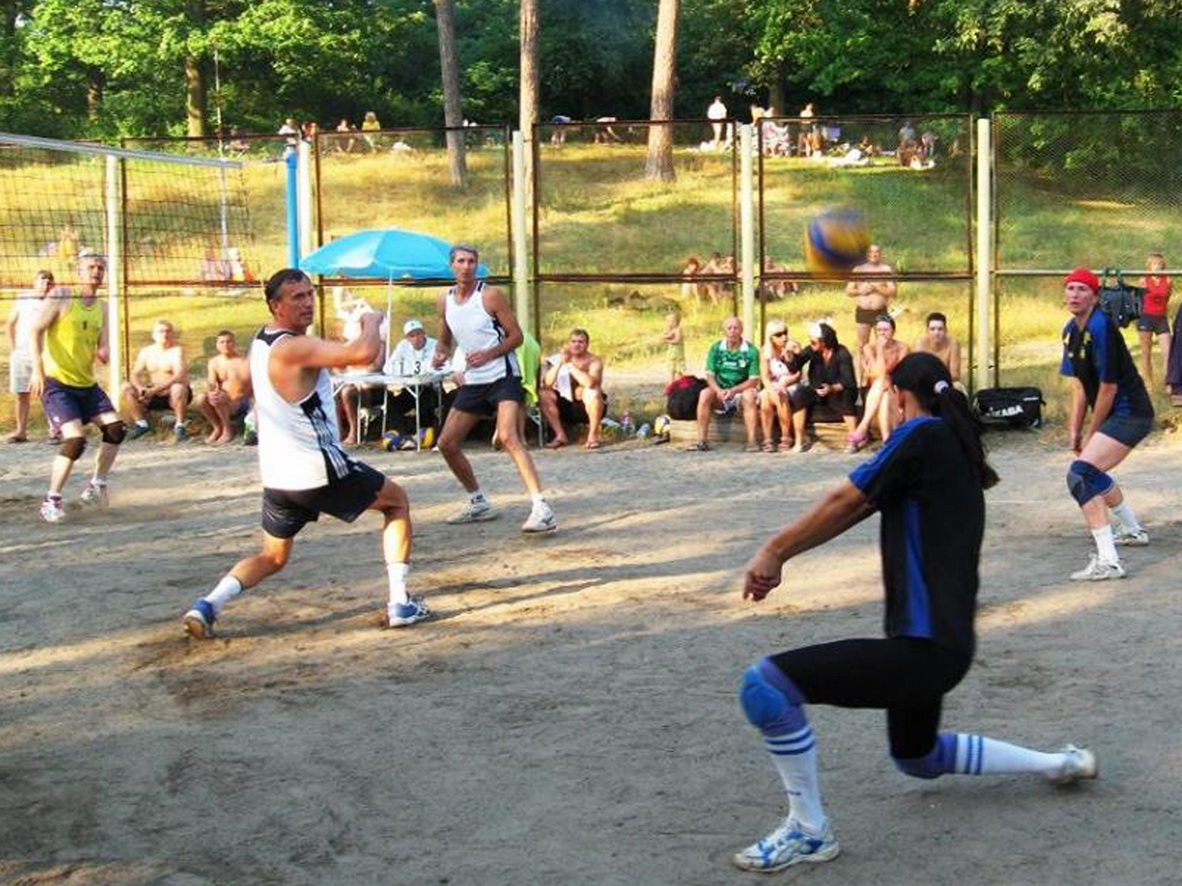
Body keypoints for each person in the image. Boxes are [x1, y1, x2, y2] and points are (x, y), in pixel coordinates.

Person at [732, 351, 1095, 874]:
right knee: (918, 757)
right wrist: (784, 555)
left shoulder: (921, 435)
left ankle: (809, 830)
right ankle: (1059, 763)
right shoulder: (948, 446)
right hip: (941, 647)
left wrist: (774, 551)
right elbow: (859, 506)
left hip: (923, 649)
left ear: (900, 397)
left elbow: (844, 499)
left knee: (765, 687)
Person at [182, 269, 431, 639]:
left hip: (278, 476)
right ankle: (400, 603)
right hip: (315, 468)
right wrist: (372, 321)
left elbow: (243, 384)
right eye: (296, 297)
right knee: (396, 502)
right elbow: (363, 353)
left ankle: (207, 605)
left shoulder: (263, 340)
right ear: (275, 305)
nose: (307, 302)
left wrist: (233, 396)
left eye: (309, 294)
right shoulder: (294, 347)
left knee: (272, 557)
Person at [431, 244, 556, 532]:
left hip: (503, 376)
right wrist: (439, 354)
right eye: (461, 261)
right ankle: (478, 502)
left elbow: (517, 336)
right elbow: (444, 341)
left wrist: (489, 354)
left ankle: (542, 508)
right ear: (451, 265)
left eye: (471, 261)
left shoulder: (490, 295)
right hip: (474, 380)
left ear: (477, 265)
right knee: (447, 443)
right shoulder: (445, 300)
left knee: (509, 437)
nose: (466, 266)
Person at [1059, 267, 1154, 581]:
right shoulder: (1070, 331)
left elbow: (1108, 388)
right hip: (1117, 413)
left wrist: (1092, 432)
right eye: (1070, 288)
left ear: (1095, 296)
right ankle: (1132, 530)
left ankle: (1109, 561)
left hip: (1131, 412)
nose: (1075, 294)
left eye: (1082, 289)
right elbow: (1079, 386)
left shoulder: (1102, 327)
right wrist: (1074, 430)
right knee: (1091, 471)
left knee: (1081, 475)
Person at [28, 251, 127, 523]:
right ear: (79, 272)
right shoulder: (62, 296)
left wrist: (104, 352)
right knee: (75, 440)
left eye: (100, 268)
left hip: (86, 383)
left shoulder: (102, 307)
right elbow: (35, 330)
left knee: (116, 428)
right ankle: (51, 500)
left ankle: (96, 486)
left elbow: (103, 343)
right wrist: (37, 370)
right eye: (91, 267)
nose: (96, 272)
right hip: (57, 382)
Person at [689, 316, 760, 452]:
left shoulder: (751, 351)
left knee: (749, 396)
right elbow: (710, 375)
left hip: (741, 392)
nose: (733, 331)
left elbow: (754, 380)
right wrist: (717, 390)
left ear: (741, 330)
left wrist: (734, 390)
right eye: (729, 328)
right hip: (720, 391)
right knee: (704, 394)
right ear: (724, 331)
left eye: (736, 328)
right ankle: (702, 440)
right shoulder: (716, 348)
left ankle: (752, 441)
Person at [786, 322, 858, 452]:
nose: (811, 344)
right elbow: (794, 366)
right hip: (817, 389)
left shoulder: (842, 353)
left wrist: (832, 388)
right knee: (799, 394)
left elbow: (848, 381)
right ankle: (799, 440)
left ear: (824, 342)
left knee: (846, 396)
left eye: (814, 342)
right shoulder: (812, 351)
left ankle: (853, 440)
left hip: (837, 390)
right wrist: (791, 356)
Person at [848, 313, 910, 451]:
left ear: (893, 331)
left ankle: (863, 426)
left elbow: (899, 371)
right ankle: (887, 439)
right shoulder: (869, 348)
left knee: (884, 385)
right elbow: (877, 373)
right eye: (879, 330)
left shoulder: (902, 347)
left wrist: (881, 354)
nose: (882, 333)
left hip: (897, 386)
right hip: (877, 388)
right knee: (883, 389)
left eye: (886, 330)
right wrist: (880, 350)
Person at [6, 270, 55, 443]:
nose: (45, 285)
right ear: (35, 282)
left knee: (48, 393)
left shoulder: (55, 302)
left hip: (45, 356)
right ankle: (21, 432)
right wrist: (13, 349)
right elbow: (10, 324)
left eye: (49, 282)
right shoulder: (23, 299)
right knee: (22, 393)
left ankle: (54, 430)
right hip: (22, 354)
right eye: (42, 281)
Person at [123, 319, 192, 442]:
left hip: (173, 394)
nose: (165, 334)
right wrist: (140, 388)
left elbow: (179, 376)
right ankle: (141, 424)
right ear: (154, 335)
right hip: (153, 393)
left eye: (168, 331)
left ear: (172, 334)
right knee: (126, 387)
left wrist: (154, 390)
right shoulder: (146, 352)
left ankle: (180, 426)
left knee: (178, 387)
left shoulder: (177, 351)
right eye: (161, 331)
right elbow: (134, 373)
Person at [539, 328, 607, 450]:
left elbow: (590, 383)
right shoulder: (556, 359)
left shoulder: (594, 361)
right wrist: (560, 363)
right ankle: (560, 435)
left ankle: (592, 436)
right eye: (573, 341)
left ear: (587, 344)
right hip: (564, 404)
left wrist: (570, 365)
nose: (576, 345)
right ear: (568, 343)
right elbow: (547, 384)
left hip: (585, 405)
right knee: (544, 394)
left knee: (593, 392)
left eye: (580, 342)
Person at [845, 244, 897, 383]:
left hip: (880, 312)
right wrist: (860, 291)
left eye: (877, 252)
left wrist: (877, 287)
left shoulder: (886, 269)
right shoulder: (858, 269)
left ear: (880, 254)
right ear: (867, 254)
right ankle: (859, 382)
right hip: (863, 312)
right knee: (861, 346)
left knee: (883, 344)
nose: (874, 255)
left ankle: (882, 379)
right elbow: (848, 291)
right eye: (871, 252)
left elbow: (893, 292)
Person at [383, 319, 444, 435]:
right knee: (390, 404)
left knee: (425, 403)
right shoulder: (402, 346)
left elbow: (446, 367)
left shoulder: (435, 345)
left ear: (424, 333)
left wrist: (429, 371)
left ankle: (425, 434)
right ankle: (402, 432)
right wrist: (404, 371)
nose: (416, 338)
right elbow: (388, 367)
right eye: (411, 335)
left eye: (418, 334)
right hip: (409, 389)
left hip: (431, 389)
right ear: (407, 338)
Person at [196, 330, 252, 444]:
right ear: (217, 345)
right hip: (222, 398)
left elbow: (249, 387)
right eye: (222, 342)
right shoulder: (214, 362)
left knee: (220, 398)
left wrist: (231, 396)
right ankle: (217, 427)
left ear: (234, 343)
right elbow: (212, 383)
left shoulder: (242, 362)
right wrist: (211, 392)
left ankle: (228, 430)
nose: (225, 345)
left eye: (229, 341)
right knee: (201, 399)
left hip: (239, 401)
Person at [758, 320, 801, 452]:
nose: (784, 337)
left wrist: (785, 383)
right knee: (766, 396)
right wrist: (771, 390)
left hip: (791, 383)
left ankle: (786, 436)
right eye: (779, 334)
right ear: (771, 337)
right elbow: (764, 377)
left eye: (785, 333)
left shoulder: (793, 347)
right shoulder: (765, 351)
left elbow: (798, 374)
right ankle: (767, 439)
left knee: (781, 394)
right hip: (774, 384)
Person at [1136, 252, 1171, 391]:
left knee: (1168, 352)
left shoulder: (1168, 280)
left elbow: (1167, 298)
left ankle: (1169, 383)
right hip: (1146, 317)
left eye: (1160, 264)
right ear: (1149, 266)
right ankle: (1148, 384)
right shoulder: (1143, 280)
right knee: (1146, 353)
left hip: (1161, 318)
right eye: (1155, 264)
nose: (1158, 266)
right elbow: (1138, 300)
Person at [914, 311, 962, 386]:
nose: (936, 333)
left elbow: (955, 375)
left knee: (957, 385)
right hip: (926, 383)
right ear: (927, 331)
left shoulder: (953, 344)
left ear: (946, 330)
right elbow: (918, 371)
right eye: (932, 329)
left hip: (946, 382)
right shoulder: (921, 343)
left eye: (940, 329)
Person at [661, 310, 686, 381]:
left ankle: (679, 382)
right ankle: (672, 382)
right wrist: (667, 331)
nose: (669, 323)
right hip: (672, 354)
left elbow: (677, 340)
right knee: (671, 369)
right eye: (667, 321)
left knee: (679, 370)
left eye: (671, 321)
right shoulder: (672, 330)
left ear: (676, 322)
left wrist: (668, 341)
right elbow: (666, 335)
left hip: (678, 354)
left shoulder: (678, 330)